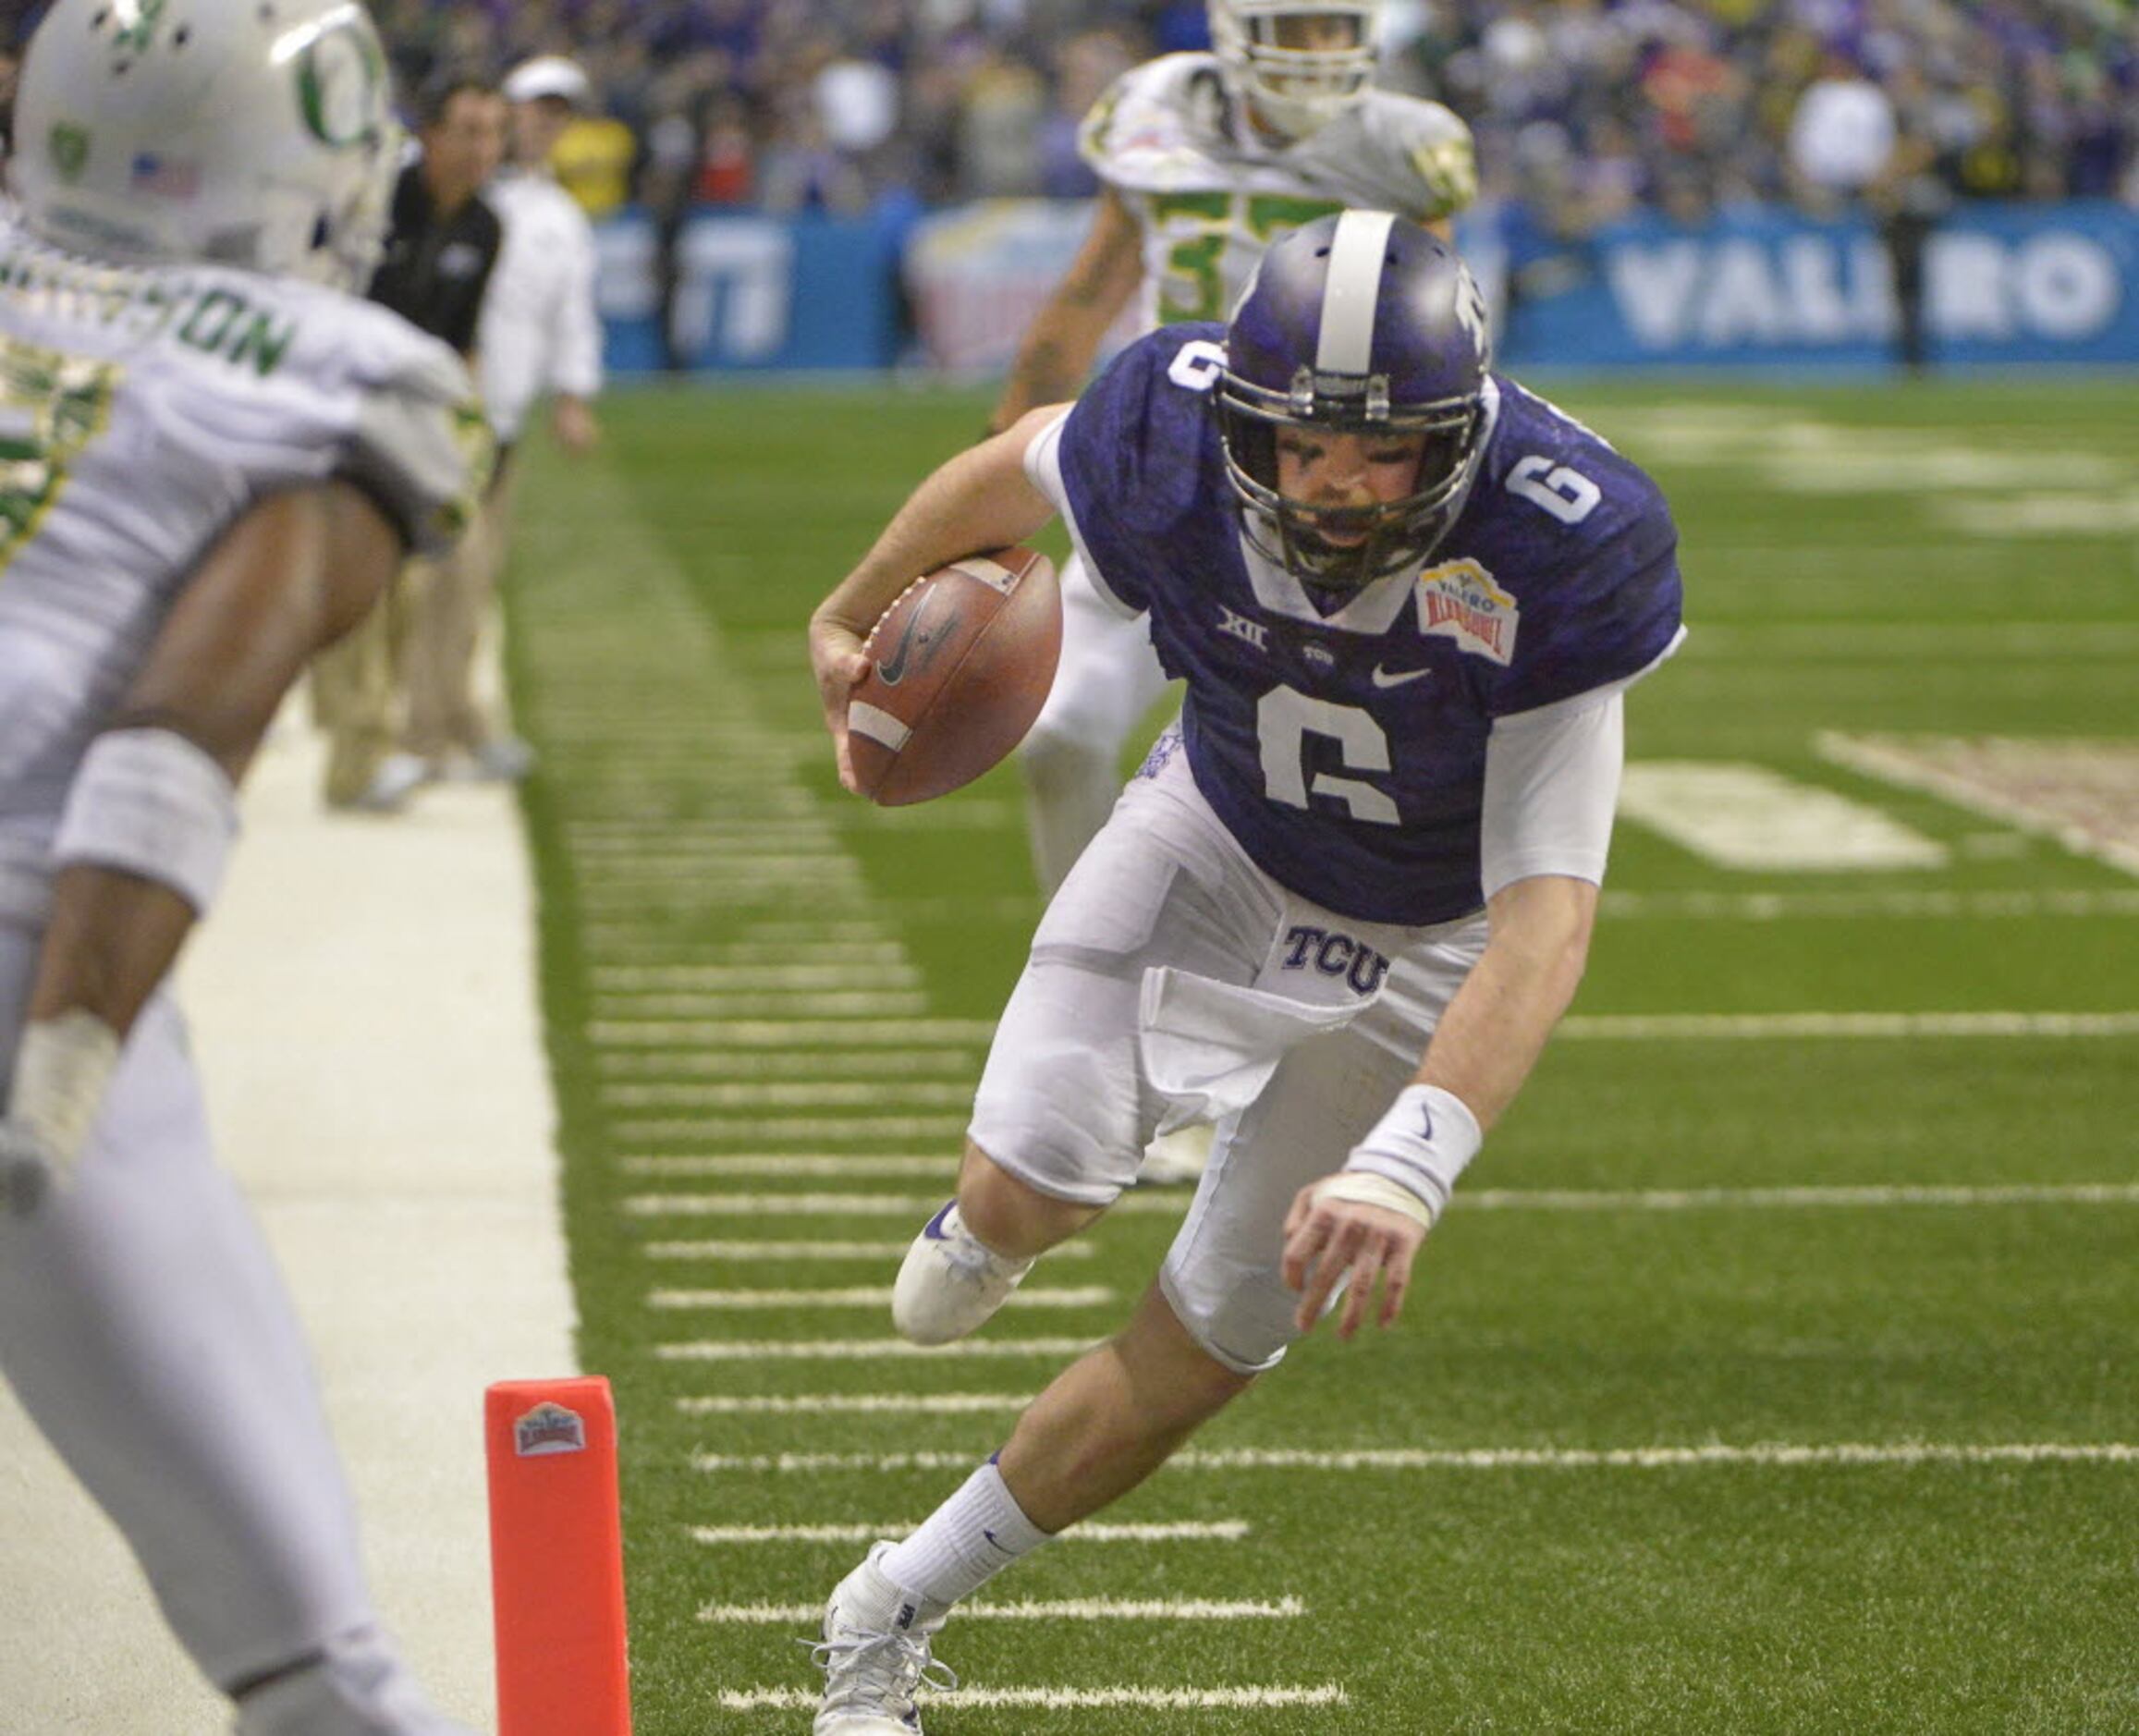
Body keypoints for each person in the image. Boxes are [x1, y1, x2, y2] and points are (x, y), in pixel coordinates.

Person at [804, 211, 1683, 1732]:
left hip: (1431, 933)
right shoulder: (1158, 417)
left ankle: (888, 1602)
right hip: (1211, 836)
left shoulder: (1564, 532)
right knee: (1019, 1204)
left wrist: (1409, 1164)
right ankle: (1002, 1208)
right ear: (1237, 424)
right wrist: (852, 600)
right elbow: (1014, 461)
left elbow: (1543, 907)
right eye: (1302, 447)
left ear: (1460, 436)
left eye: (1385, 452)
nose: (1339, 485)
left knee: (1212, 1333)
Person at [0, 2, 488, 1730]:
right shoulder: (339, 364)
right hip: (40, 936)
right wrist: (65, 1051)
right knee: (308, 1648)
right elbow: (185, 708)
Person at [993, 0, 1476, 1185]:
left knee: (1270, 810)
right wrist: (1006, 476)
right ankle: (1097, 1019)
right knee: (1055, 734)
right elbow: (1083, 301)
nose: (1317, 56)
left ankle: (1232, 1062)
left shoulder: (1403, 148)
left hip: (1317, 503)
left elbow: (1449, 338)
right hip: (1164, 475)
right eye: (1295, 30)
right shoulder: (1155, 116)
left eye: (1334, 31)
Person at [312, 74, 507, 812]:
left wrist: (468, 434)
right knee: (355, 589)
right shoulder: (373, 202)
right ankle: (356, 753)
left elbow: (464, 343)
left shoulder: (486, 227)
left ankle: (374, 740)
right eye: (469, 130)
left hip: (420, 424)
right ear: (429, 135)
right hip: (348, 414)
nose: (483, 148)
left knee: (412, 592)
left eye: (493, 132)